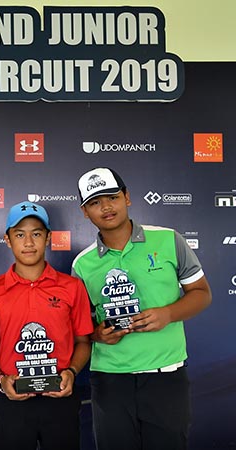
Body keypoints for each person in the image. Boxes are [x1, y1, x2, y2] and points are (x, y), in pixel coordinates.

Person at [72, 167, 212, 450]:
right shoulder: (82, 264)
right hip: (110, 379)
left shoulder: (169, 240)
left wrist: (168, 314)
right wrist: (99, 334)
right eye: (95, 202)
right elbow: (82, 328)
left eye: (112, 197)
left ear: (127, 197)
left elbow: (201, 294)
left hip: (165, 375)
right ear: (85, 212)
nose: (106, 207)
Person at [0, 201, 93, 450]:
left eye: (37, 234)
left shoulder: (72, 287)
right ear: (8, 240)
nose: (28, 242)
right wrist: (0, 380)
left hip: (60, 400)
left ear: (48, 238)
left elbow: (83, 341)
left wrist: (71, 372)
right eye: (20, 235)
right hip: (13, 401)